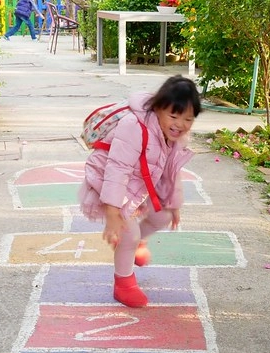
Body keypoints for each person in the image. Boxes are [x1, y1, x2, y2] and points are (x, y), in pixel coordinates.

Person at [79, 76, 202, 308]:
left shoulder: (175, 135)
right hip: (108, 182)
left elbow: (170, 171)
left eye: (188, 119)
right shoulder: (134, 126)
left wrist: (173, 204)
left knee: (162, 216)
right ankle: (123, 284)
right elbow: (118, 168)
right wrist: (113, 210)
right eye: (173, 116)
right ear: (157, 108)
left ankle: (134, 243)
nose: (179, 124)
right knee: (129, 233)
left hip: (140, 182)